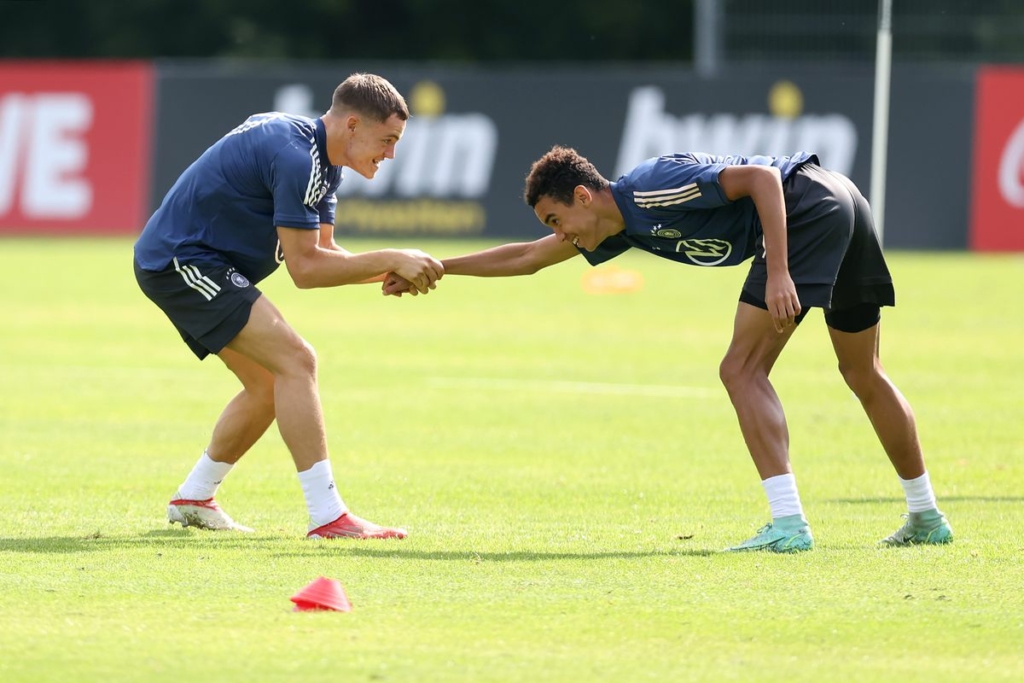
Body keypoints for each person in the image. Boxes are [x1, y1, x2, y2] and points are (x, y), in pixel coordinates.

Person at [384, 145, 953, 552]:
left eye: (558, 219)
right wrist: (437, 267)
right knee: (862, 372)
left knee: (741, 369)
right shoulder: (617, 225)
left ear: (584, 195)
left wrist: (777, 269)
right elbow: (527, 258)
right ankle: (926, 516)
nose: (561, 235)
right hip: (842, 202)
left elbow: (760, 178)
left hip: (807, 207)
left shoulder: (650, 188)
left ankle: (787, 525)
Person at [134, 73, 443, 539]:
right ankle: (328, 517)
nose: (392, 154)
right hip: (181, 261)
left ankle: (193, 498)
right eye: (388, 139)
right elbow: (305, 270)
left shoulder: (322, 160)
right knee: (298, 361)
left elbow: (327, 255)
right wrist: (393, 257)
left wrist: (391, 271)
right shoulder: (296, 156)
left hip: (196, 261)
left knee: (269, 384)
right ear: (353, 125)